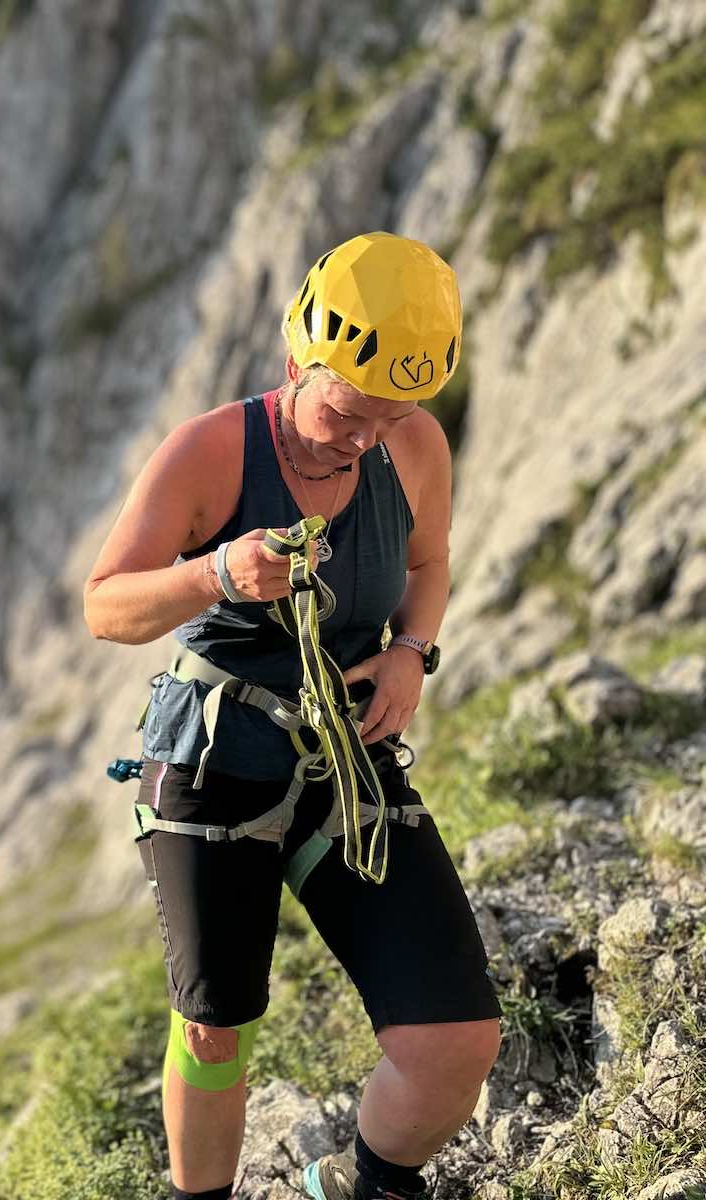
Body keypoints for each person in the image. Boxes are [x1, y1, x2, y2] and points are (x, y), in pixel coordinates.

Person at [82, 232, 501, 1200]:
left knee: (455, 1040)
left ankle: (358, 1186)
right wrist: (216, 572)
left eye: (387, 415)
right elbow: (105, 604)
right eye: (344, 411)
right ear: (294, 362)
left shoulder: (411, 444)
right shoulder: (212, 453)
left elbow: (427, 564)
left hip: (342, 765)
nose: (359, 438)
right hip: (213, 761)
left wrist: (410, 653)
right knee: (213, 1025)